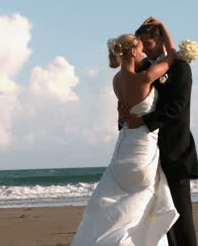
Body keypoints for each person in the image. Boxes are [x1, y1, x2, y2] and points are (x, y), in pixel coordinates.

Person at [71, 17, 179, 245]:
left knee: (122, 207)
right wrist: (163, 27)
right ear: (132, 52)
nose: (144, 54)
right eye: (140, 49)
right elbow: (172, 55)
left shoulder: (116, 80)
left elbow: (124, 113)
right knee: (139, 209)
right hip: (142, 149)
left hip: (123, 146)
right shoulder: (144, 78)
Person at [124, 19, 198, 246]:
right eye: (141, 44)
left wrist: (144, 121)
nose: (144, 49)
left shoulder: (180, 67)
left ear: (159, 42)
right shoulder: (145, 69)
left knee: (180, 213)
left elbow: (177, 107)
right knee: (158, 212)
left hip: (176, 148)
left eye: (147, 43)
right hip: (149, 152)